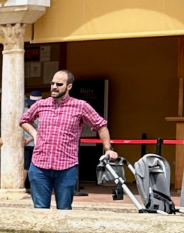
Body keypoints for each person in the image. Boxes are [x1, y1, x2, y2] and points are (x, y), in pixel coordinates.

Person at [20, 70, 116, 210]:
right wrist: (34, 134)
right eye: (52, 83)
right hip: (39, 165)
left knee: (64, 210)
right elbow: (24, 120)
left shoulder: (80, 106)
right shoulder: (41, 104)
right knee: (40, 210)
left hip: (66, 167)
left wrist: (108, 149)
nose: (54, 87)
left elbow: (101, 125)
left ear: (69, 86)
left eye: (59, 84)